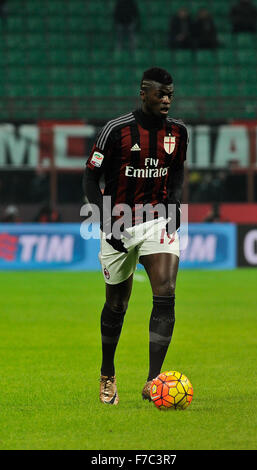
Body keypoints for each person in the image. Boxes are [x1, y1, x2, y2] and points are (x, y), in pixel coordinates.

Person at [84, 67, 188, 405]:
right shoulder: (115, 131)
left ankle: (153, 382)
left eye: (170, 94)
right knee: (117, 304)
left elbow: (176, 173)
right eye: (161, 93)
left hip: (157, 220)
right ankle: (107, 373)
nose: (167, 100)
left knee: (167, 289)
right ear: (143, 93)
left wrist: (174, 206)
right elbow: (90, 180)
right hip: (119, 223)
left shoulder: (178, 132)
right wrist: (105, 223)